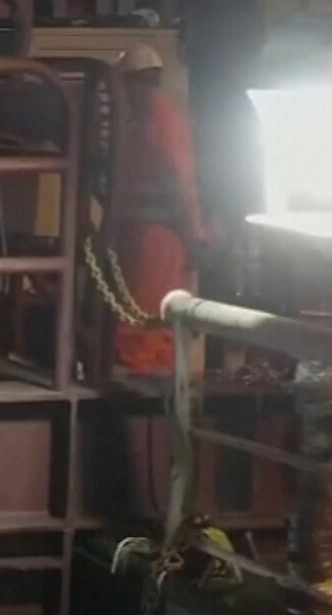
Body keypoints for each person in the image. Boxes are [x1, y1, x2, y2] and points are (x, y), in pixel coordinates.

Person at [112, 45, 207, 375]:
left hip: (161, 241)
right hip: (139, 238)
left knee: (152, 326)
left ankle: (154, 387)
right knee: (138, 322)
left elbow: (181, 186)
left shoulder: (164, 123)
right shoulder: (142, 123)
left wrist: (192, 239)